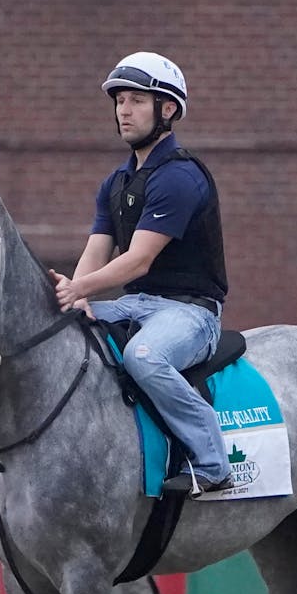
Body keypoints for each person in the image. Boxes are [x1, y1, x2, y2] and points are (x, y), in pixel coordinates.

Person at [51, 51, 231, 496]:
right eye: (119, 102)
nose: (124, 111)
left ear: (167, 110)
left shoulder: (179, 178)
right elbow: (96, 253)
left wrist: (78, 290)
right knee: (62, 333)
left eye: (135, 100)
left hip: (191, 314)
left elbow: (136, 262)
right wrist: (75, 302)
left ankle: (212, 462)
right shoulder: (115, 183)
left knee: (144, 357)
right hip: (138, 305)